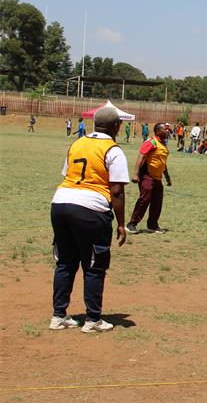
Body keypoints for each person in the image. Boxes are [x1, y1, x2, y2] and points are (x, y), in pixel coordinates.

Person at [49, 106, 128, 333]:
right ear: (116, 126)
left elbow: (68, 175)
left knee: (65, 262)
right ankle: (93, 320)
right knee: (95, 265)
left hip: (61, 203)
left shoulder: (77, 143)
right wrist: (121, 224)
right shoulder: (113, 150)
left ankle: (59, 316)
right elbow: (117, 191)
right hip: (91, 209)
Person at [126, 122, 172, 234]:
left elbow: (162, 162)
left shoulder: (163, 144)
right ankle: (131, 224)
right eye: (165, 129)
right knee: (145, 199)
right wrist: (135, 174)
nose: (167, 131)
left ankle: (152, 225)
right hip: (147, 175)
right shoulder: (151, 142)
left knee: (157, 201)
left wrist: (167, 176)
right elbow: (141, 157)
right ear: (158, 131)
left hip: (157, 178)